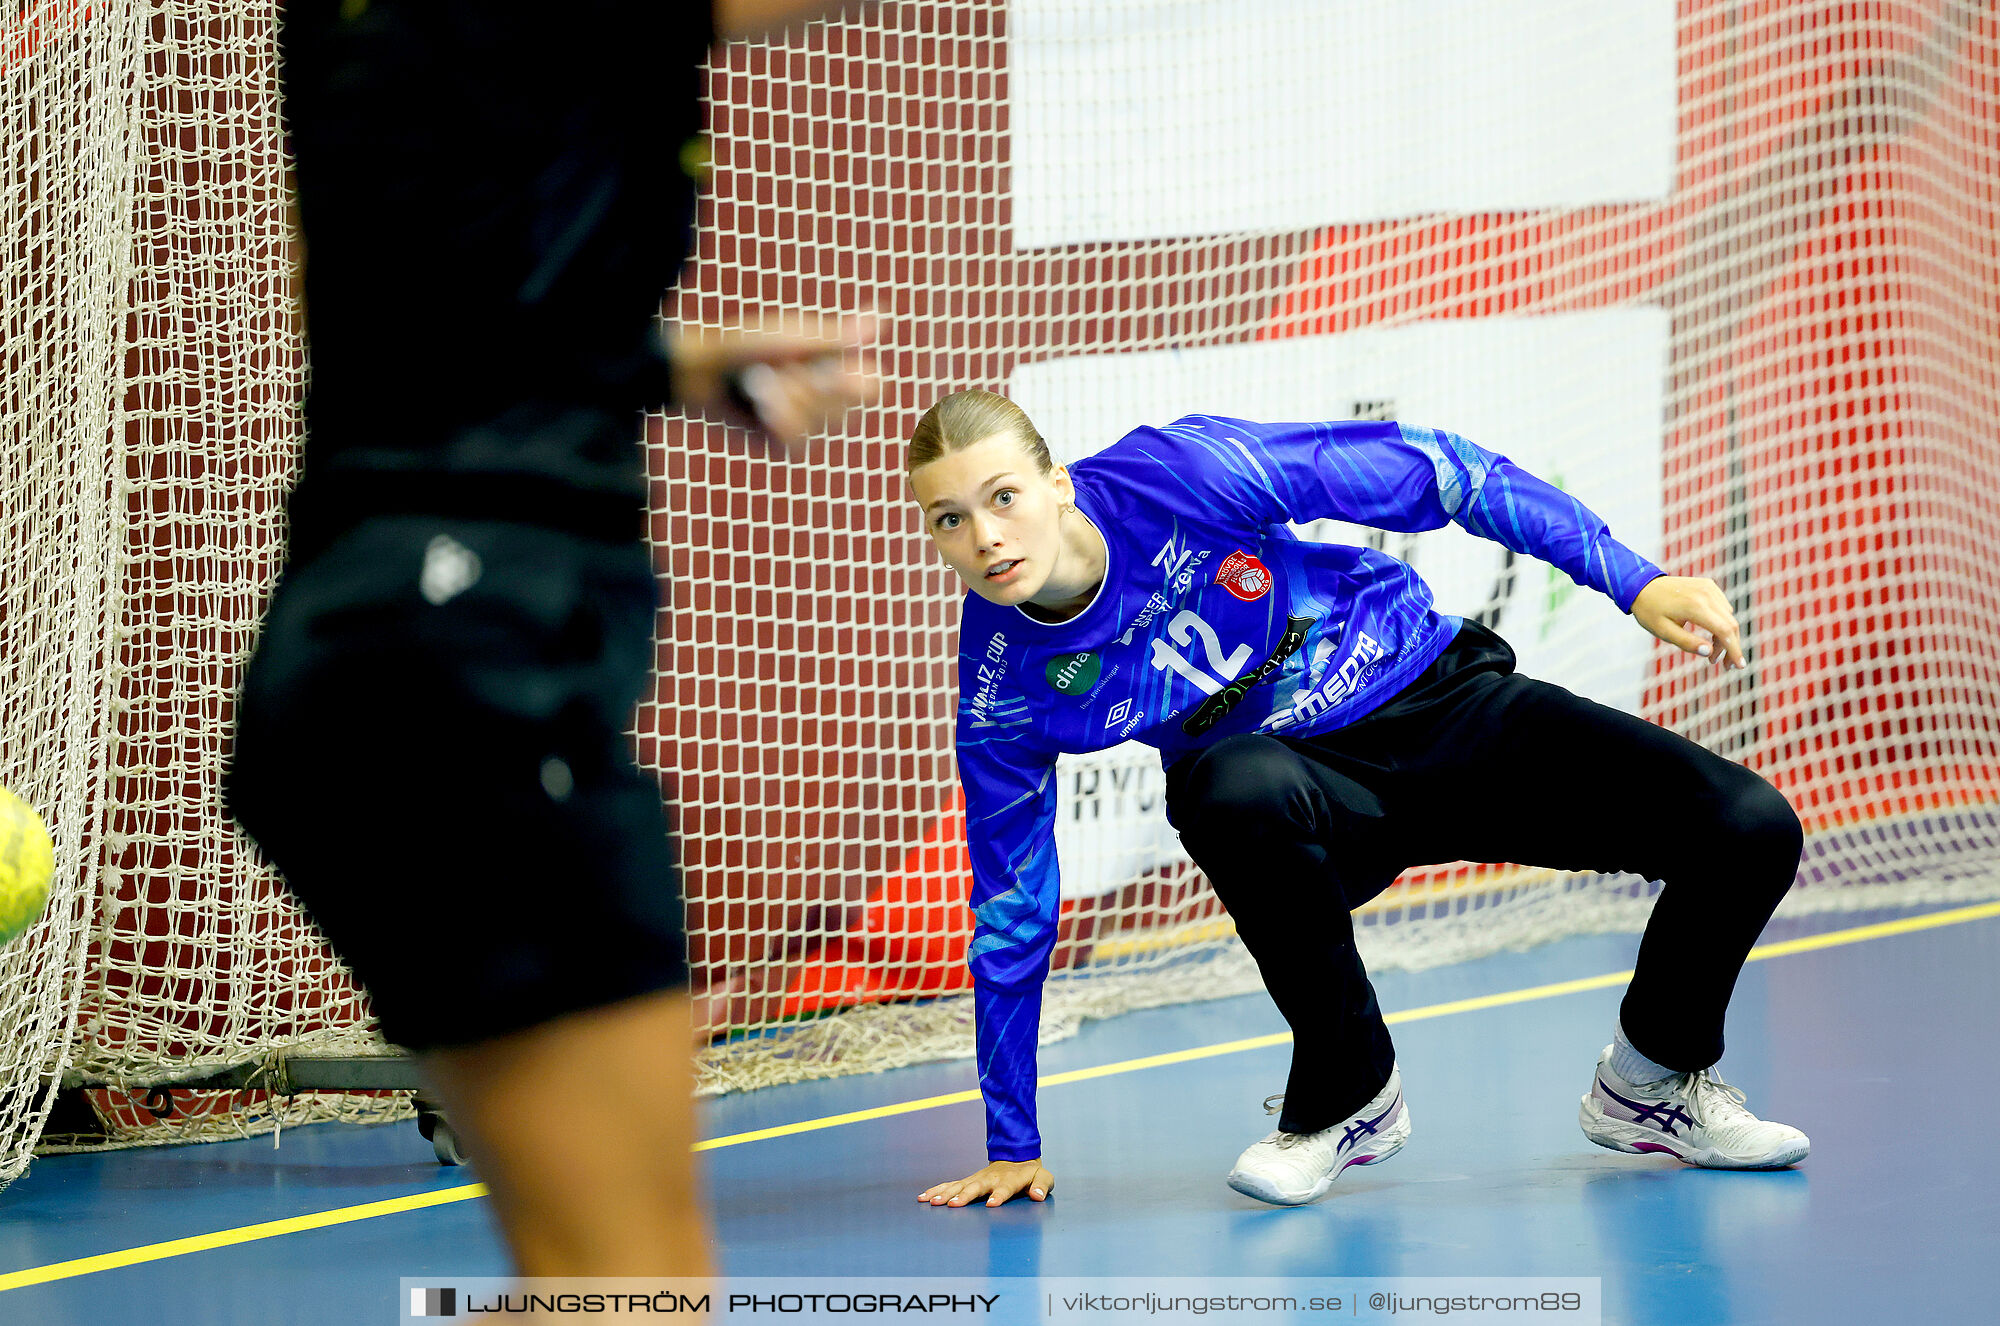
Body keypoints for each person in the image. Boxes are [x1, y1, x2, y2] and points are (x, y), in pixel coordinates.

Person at [226, 0, 876, 1277]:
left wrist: (674, 363)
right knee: (631, 1286)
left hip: (385, 644)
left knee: (598, 1279)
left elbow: (414, 322)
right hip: (468, 663)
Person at [908, 389, 1809, 1211]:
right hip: (1309, 796)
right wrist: (1011, 1143)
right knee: (1227, 786)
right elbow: (1012, 914)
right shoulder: (1005, 691)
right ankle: (1347, 1096)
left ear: (1056, 484)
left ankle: (1654, 1082)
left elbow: (1437, 468)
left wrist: (1633, 579)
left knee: (1748, 828)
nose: (985, 536)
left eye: (1003, 497)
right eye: (950, 519)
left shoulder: (1176, 474)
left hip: (1442, 703)